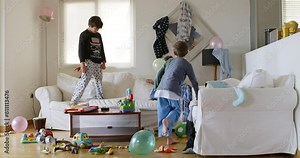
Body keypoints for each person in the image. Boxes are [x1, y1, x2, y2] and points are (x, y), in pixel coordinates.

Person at [154, 41, 199, 145]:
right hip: (172, 90)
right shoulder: (187, 64)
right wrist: (198, 96)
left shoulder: (169, 61)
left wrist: (156, 88)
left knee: (163, 113)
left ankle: (168, 139)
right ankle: (167, 123)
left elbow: (158, 75)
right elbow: (194, 82)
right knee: (176, 110)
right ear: (187, 52)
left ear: (174, 52)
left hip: (160, 90)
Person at [70, 16, 106, 106]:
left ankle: (100, 101)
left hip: (98, 62)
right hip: (89, 61)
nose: (97, 30)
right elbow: (81, 50)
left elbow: (101, 49)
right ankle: (73, 101)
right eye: (96, 28)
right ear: (90, 25)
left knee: (99, 82)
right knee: (84, 81)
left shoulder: (98, 35)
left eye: (98, 28)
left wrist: (103, 61)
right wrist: (82, 64)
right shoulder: (84, 35)